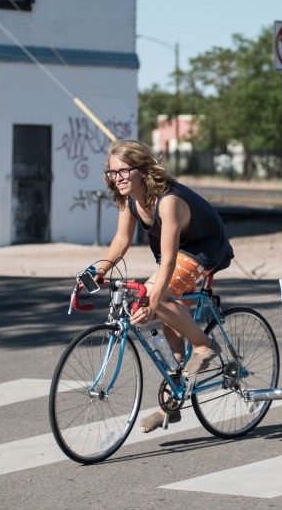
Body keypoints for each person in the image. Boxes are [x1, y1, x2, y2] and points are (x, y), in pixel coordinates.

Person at [92, 140, 234, 433]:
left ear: (142, 171)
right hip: (176, 254)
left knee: (158, 298)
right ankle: (172, 401)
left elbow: (169, 261)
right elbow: (121, 241)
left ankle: (204, 345)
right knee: (170, 322)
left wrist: (153, 299)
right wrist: (101, 268)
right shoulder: (129, 198)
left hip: (203, 250)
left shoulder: (168, 201)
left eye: (123, 171)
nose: (116, 178)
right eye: (111, 172)